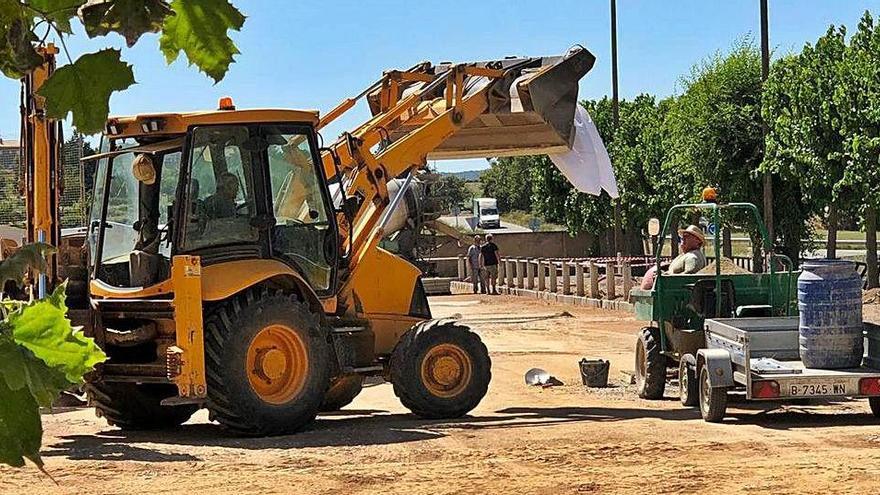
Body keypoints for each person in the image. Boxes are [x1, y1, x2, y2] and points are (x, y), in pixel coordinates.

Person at [640, 224, 707, 289]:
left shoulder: (693, 257)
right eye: (682, 236)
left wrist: (664, 277)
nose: (683, 238)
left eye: (687, 236)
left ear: (697, 241)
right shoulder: (686, 255)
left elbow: (689, 279)